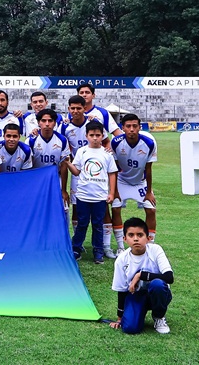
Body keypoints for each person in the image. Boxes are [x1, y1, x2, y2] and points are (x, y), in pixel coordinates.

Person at [77, 83, 123, 257]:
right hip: (80, 168)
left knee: (101, 214)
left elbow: (117, 134)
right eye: (81, 92)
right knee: (79, 214)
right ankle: (78, 247)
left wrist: (111, 146)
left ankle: (103, 247)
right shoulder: (73, 114)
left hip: (99, 168)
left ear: (93, 95)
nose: (84, 95)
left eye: (87, 92)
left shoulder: (102, 113)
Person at [66, 120, 118, 264]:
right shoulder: (82, 151)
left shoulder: (107, 153)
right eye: (92, 135)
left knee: (97, 225)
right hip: (83, 196)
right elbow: (76, 172)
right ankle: (76, 248)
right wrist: (68, 163)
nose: (95, 138)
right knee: (82, 224)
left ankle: (98, 251)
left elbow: (112, 174)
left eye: (98, 135)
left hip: (100, 197)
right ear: (86, 136)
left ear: (102, 135)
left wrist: (111, 193)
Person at [109, 217, 173, 334]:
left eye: (140, 235)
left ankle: (159, 317)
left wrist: (141, 275)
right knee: (130, 328)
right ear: (124, 239)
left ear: (148, 238)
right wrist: (120, 318)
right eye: (131, 235)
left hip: (158, 293)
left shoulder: (156, 250)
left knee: (157, 284)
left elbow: (169, 277)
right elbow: (122, 291)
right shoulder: (121, 260)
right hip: (136, 296)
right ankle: (136, 313)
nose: (136, 239)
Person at [111, 114, 158, 253]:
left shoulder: (149, 143)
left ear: (139, 127)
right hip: (121, 180)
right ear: (123, 128)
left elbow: (148, 169)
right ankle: (120, 247)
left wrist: (149, 192)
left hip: (140, 182)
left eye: (134, 126)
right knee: (115, 208)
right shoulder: (116, 142)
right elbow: (114, 168)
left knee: (151, 210)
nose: (131, 129)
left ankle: (150, 246)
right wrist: (115, 191)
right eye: (128, 126)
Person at [59, 95, 92, 236]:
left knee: (100, 205)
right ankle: (76, 239)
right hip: (76, 170)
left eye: (79, 108)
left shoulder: (92, 123)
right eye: (72, 108)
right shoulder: (64, 126)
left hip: (94, 169)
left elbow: (104, 141)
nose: (75, 111)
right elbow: (62, 147)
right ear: (68, 109)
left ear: (84, 108)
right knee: (76, 205)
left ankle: (103, 242)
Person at [29, 108, 71, 205]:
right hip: (37, 180)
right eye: (43, 121)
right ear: (38, 123)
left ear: (55, 123)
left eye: (50, 121)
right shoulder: (31, 140)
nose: (47, 124)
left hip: (55, 179)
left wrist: (64, 190)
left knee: (60, 206)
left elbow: (64, 166)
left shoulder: (62, 140)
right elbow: (28, 166)